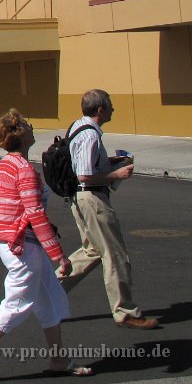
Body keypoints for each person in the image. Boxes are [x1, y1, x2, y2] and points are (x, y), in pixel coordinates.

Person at [0, 110, 92, 381]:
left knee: (49, 299)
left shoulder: (6, 165)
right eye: (28, 125)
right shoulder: (24, 169)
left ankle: (58, 360)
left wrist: (22, 225)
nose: (32, 127)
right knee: (18, 301)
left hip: (16, 241)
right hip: (21, 244)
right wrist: (58, 255)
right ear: (20, 135)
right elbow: (35, 213)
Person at [60, 89, 157, 329]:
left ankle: (47, 294)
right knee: (114, 254)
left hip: (80, 198)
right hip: (92, 199)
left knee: (92, 251)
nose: (114, 109)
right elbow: (84, 174)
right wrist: (116, 173)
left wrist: (108, 162)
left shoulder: (77, 127)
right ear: (101, 110)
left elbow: (83, 165)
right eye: (111, 105)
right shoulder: (90, 136)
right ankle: (125, 312)